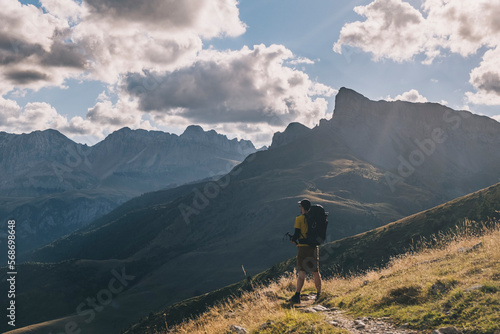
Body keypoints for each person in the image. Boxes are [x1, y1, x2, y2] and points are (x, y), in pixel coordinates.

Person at [289, 198, 322, 304]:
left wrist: (293, 240)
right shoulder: (316, 219)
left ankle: (297, 295)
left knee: (302, 271)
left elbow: (296, 235)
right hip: (313, 247)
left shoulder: (299, 219)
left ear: (302, 207)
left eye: (300, 206)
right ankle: (319, 294)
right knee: (315, 272)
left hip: (303, 247)